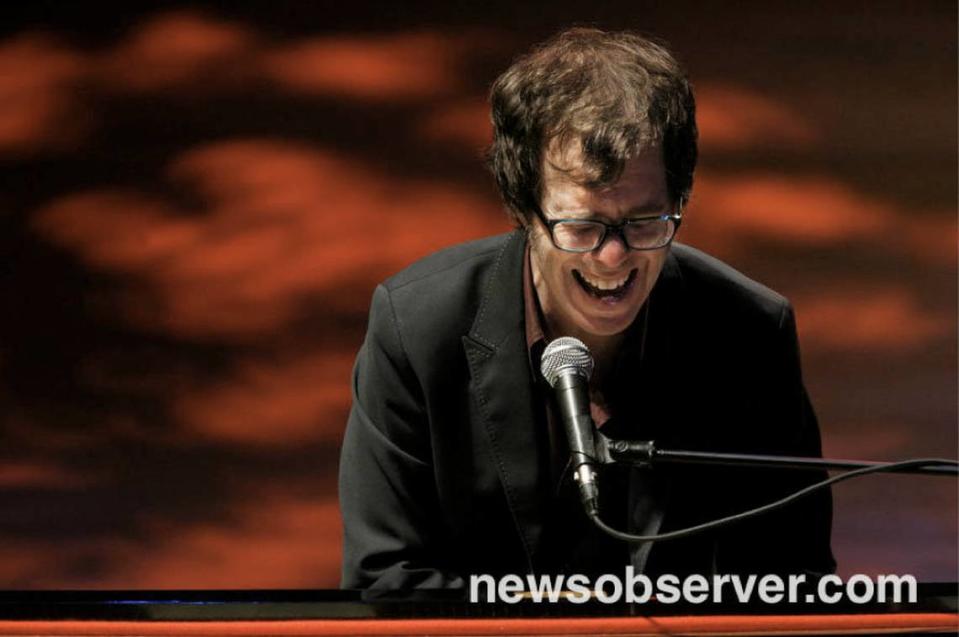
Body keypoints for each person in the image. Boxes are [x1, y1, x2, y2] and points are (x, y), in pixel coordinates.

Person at [339, 27, 835, 590]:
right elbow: (385, 576)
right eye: (582, 225)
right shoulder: (417, 325)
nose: (614, 255)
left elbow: (796, 583)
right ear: (525, 209)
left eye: (645, 222)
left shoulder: (748, 332)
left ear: (680, 202)